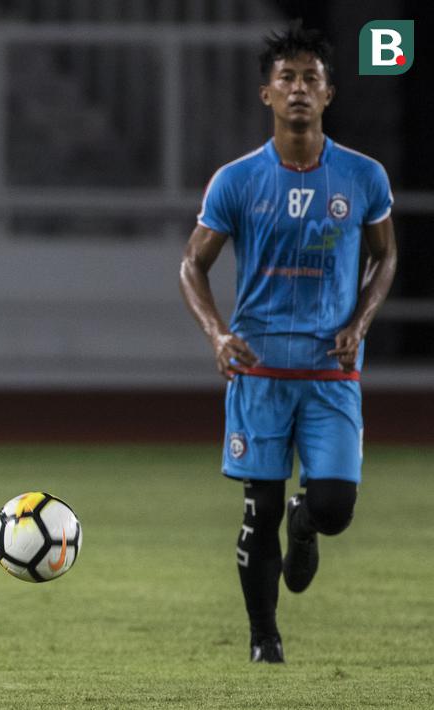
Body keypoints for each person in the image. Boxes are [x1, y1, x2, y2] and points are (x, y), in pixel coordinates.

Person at [179, 24, 397, 664]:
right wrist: (217, 333)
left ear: (328, 94)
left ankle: (309, 524)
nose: (299, 88)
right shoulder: (237, 181)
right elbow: (192, 264)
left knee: (335, 508)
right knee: (259, 508)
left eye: (311, 78)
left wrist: (361, 321)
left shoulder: (363, 176)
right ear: (266, 94)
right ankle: (264, 639)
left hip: (331, 371)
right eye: (287, 78)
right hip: (261, 370)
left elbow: (385, 256)